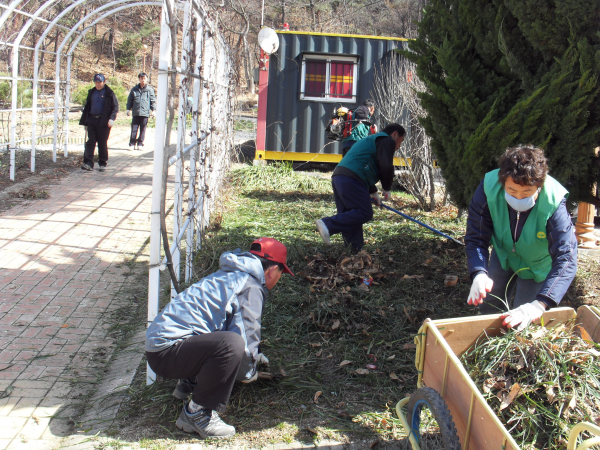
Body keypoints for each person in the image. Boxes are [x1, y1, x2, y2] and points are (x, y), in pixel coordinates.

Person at [145, 237, 293, 439]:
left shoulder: (229, 275)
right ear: (271, 270)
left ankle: (189, 383)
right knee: (231, 344)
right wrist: (250, 373)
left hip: (161, 348)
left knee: (221, 336)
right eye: (280, 273)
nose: (278, 278)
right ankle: (197, 412)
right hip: (169, 352)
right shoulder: (251, 287)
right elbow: (244, 336)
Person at [465, 145, 577, 331]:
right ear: (503, 183)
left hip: (537, 266)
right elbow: (476, 237)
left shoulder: (553, 201)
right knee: (489, 304)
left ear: (539, 187)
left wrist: (541, 303)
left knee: (522, 320)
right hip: (503, 255)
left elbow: (567, 256)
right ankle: (487, 340)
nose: (518, 198)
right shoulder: (488, 188)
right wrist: (479, 272)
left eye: (527, 193)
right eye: (511, 191)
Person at [315, 123, 406, 252]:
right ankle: (328, 224)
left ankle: (354, 252)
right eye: (401, 141)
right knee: (365, 212)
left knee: (350, 216)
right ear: (395, 134)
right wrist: (387, 188)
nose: (399, 146)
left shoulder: (370, 140)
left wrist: (373, 192)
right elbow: (385, 166)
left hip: (340, 176)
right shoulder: (386, 140)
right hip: (352, 178)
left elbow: (364, 166)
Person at [79, 74, 118, 172]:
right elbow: (87, 107)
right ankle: (88, 162)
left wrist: (112, 118)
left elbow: (115, 107)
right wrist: (86, 121)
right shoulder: (92, 92)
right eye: (96, 82)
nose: (98, 84)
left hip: (104, 121)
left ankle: (102, 162)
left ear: (104, 82)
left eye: (99, 82)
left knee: (102, 142)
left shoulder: (109, 93)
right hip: (92, 119)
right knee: (91, 141)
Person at [126, 72, 156, 150]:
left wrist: (153, 110)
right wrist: (128, 109)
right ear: (139, 79)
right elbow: (130, 100)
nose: (143, 80)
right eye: (141, 78)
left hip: (145, 113)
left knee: (143, 129)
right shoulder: (134, 89)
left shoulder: (149, 90)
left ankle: (140, 143)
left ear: (146, 79)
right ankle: (132, 144)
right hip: (136, 112)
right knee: (134, 129)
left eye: (144, 78)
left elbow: (153, 101)